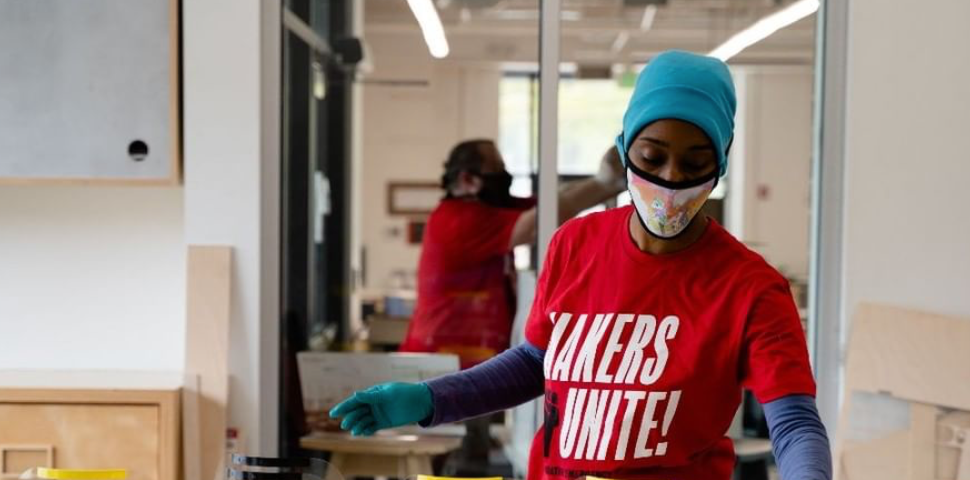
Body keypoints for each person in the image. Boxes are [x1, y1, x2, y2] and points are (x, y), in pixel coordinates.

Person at [333, 50, 831, 480]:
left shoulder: (751, 287)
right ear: (623, 152)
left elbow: (792, 422)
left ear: (720, 164)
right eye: (652, 156)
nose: (671, 179)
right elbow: (535, 363)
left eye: (696, 164)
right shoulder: (575, 244)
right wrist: (430, 399)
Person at [399, 139, 626, 369]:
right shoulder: (458, 220)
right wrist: (602, 182)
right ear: (467, 180)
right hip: (443, 358)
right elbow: (537, 221)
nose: (505, 175)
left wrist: (608, 183)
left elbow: (552, 202)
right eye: (497, 169)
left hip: (466, 354)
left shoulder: (487, 209)